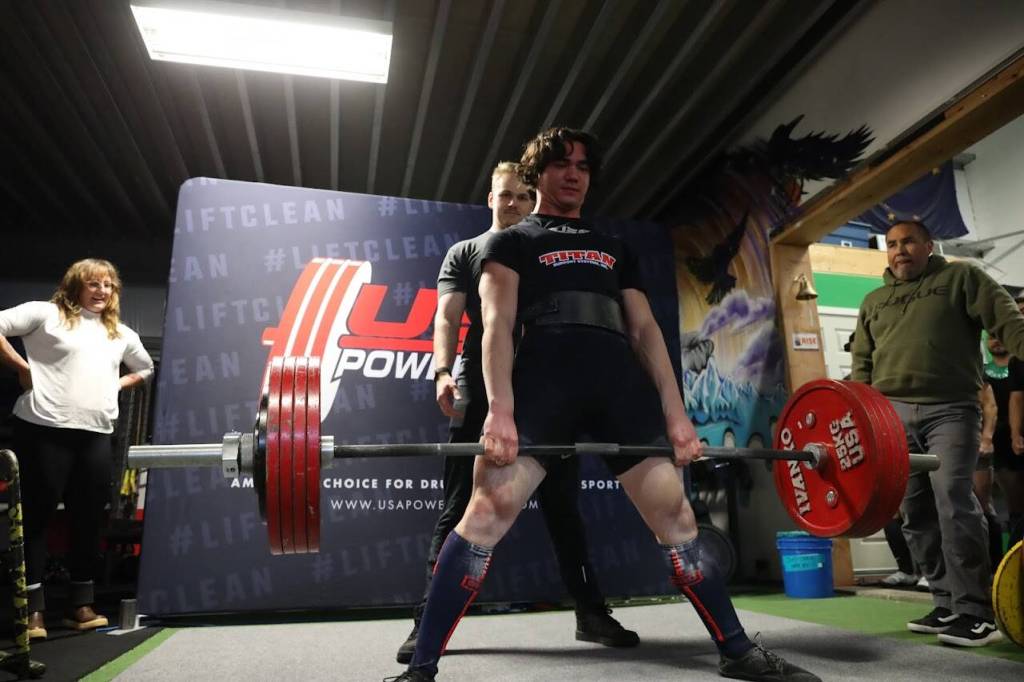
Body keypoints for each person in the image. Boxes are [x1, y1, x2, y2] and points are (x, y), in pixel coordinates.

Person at [386, 128, 819, 681]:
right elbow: (494, 327)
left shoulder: (615, 246)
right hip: (544, 384)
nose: (574, 174)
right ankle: (421, 668)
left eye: (584, 167)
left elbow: (644, 330)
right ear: (535, 174)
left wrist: (675, 411)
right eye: (561, 164)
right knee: (484, 514)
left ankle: (736, 650)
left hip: (618, 387)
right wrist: (499, 409)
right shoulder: (510, 241)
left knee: (678, 519)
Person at [395, 162, 637, 663]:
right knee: (459, 504)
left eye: (524, 197)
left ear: (534, 200)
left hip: (545, 386)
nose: (514, 205)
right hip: (481, 388)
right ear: (490, 199)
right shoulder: (465, 252)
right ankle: (427, 623)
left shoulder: (542, 250)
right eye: (505, 196)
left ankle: (591, 614)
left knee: (563, 506)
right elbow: (447, 315)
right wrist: (442, 372)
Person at [851, 220, 1024, 647]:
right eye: (891, 244)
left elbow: (1008, 321)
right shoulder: (873, 300)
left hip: (950, 409)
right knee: (914, 510)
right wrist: (863, 417)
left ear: (929, 244)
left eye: (908, 241)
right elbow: (862, 362)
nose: (899, 250)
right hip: (889, 418)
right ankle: (945, 600)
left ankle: (975, 610)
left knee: (954, 501)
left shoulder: (960, 277)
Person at [0, 259, 153, 639]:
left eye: (109, 285)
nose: (102, 291)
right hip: (43, 429)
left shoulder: (120, 334)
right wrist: (21, 366)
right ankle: (32, 610)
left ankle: (81, 606)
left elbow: (146, 368)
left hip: (95, 435)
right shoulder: (44, 314)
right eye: (94, 284)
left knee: (88, 519)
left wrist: (117, 386)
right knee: (36, 518)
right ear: (75, 286)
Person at [981, 332, 1024, 552]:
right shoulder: (983, 372)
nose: (997, 341)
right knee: (1006, 504)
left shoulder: (1017, 364)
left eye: (1001, 336)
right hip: (996, 443)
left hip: (1016, 437)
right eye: (992, 337)